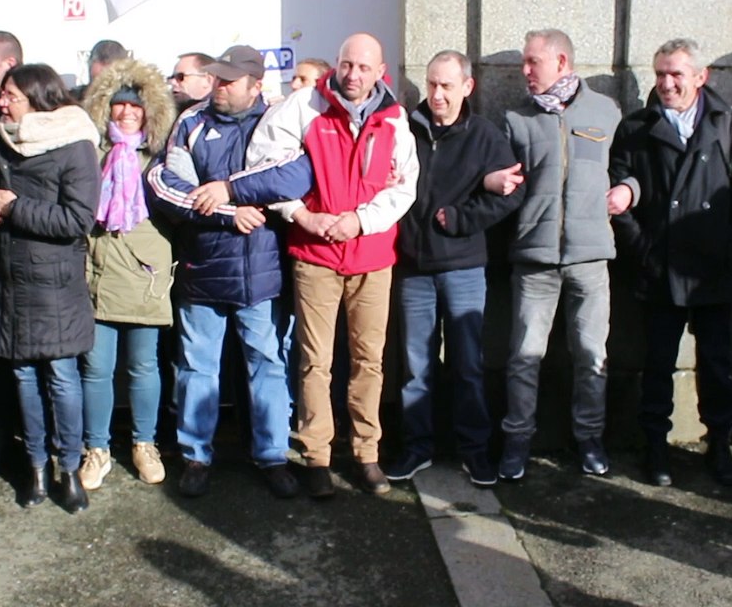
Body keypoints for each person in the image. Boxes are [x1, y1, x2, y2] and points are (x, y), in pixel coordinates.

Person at [225, 33, 419, 497]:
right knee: (315, 362)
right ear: (337, 63)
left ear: (380, 72)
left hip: (371, 257)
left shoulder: (394, 118)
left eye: (364, 67)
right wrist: (301, 215)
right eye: (347, 64)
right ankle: (317, 456)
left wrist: (359, 221)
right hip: (315, 256)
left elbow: (404, 187)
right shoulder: (305, 105)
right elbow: (264, 163)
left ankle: (367, 454)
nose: (353, 75)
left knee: (369, 361)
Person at [147, 45, 303, 500]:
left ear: (255, 85)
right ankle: (196, 456)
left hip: (262, 271)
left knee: (268, 366)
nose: (219, 87)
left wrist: (229, 190)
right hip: (203, 268)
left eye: (230, 82)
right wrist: (227, 213)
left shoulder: (278, 118)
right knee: (197, 368)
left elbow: (295, 176)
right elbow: (165, 186)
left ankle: (273, 456)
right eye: (217, 78)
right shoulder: (191, 122)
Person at [609, 38, 732, 487]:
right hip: (658, 268)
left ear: (700, 76)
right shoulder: (636, 127)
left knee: (716, 365)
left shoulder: (728, 125)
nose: (667, 83)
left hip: (711, 269)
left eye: (676, 74)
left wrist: (729, 248)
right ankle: (655, 446)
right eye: (660, 74)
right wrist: (643, 249)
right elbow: (618, 190)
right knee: (657, 365)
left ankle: (719, 443)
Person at [384, 50, 522, 487]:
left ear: (467, 86)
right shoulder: (405, 129)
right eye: (431, 84)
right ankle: (417, 447)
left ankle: (474, 450)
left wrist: (462, 219)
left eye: (446, 85)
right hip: (413, 267)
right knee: (415, 366)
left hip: (463, 267)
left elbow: (512, 191)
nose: (437, 94)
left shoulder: (485, 136)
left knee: (467, 365)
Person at [496, 28, 622, 480]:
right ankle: (517, 441)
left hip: (591, 258)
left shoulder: (606, 112)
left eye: (533, 62)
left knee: (591, 356)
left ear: (562, 62)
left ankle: (590, 438)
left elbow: (626, 166)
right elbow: (502, 181)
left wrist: (630, 188)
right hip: (535, 259)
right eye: (524, 62)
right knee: (523, 357)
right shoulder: (516, 119)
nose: (525, 71)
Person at [0, 64, 101, 513]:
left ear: (39, 100)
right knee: (23, 376)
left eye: (12, 96)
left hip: (54, 284)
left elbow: (78, 219)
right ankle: (36, 468)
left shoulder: (75, 142)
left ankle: (70, 470)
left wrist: (14, 209)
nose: (2, 103)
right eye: (3, 95)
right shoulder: (0, 138)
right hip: (7, 277)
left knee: (62, 377)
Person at [77, 58, 176, 490]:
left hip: (146, 273)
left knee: (143, 366)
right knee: (96, 368)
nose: (127, 112)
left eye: (136, 106)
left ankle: (144, 443)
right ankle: (96, 448)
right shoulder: (90, 153)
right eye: (119, 104)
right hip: (98, 271)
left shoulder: (163, 157)